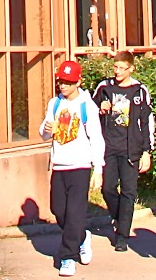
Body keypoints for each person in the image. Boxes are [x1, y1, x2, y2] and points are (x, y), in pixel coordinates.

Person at [40, 59, 105, 276]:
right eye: (61, 82)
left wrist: (98, 168)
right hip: (59, 165)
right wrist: (46, 129)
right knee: (58, 210)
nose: (63, 86)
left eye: (68, 82)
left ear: (78, 81)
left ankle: (68, 257)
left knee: (75, 213)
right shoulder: (54, 104)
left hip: (80, 166)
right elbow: (44, 133)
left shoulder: (87, 105)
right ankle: (82, 236)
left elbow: (96, 138)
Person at [92, 51, 154, 253]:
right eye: (115, 67)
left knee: (129, 192)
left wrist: (147, 151)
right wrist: (100, 107)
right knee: (108, 189)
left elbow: (146, 122)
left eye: (121, 68)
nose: (117, 72)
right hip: (109, 146)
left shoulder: (139, 90)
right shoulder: (104, 87)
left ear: (131, 68)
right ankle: (119, 217)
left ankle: (122, 236)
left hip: (131, 149)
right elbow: (90, 112)